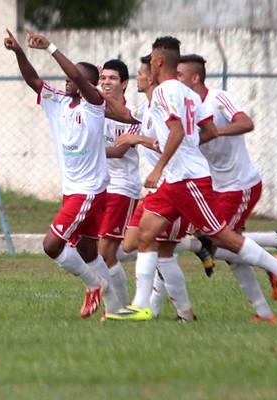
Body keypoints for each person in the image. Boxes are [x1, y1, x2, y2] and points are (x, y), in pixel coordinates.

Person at [107, 36, 277, 321]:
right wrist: (182, 151)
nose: (148, 64)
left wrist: (160, 166)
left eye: (150, 58)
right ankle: (142, 305)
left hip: (187, 179)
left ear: (159, 61)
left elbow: (176, 131)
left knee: (220, 236)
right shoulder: (188, 93)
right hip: (175, 179)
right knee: (146, 235)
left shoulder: (165, 91)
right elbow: (207, 131)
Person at [3, 29, 122, 318]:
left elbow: (80, 78)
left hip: (89, 191)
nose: (67, 79)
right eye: (67, 76)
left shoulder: (94, 105)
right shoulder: (56, 101)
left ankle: (94, 285)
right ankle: (118, 311)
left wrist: (51, 48)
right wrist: (20, 51)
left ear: (89, 85)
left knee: (51, 245)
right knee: (88, 251)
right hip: (75, 190)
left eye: (73, 77)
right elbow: (33, 80)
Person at [176, 53, 277, 322]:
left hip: (239, 185)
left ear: (195, 78)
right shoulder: (185, 106)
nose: (176, 79)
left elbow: (246, 122)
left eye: (180, 75)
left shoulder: (217, 98)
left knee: (214, 242)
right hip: (215, 187)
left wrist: (214, 132)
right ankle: (264, 309)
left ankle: (275, 261)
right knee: (232, 251)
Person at [106, 54, 199, 321]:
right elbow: (121, 113)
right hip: (161, 188)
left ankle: (145, 305)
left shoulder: (162, 102)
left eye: (139, 73)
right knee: (138, 244)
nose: (137, 76)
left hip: (175, 183)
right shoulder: (145, 108)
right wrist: (88, 89)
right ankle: (178, 311)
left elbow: (167, 139)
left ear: (150, 77)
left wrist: (138, 138)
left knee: (217, 239)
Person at [95, 59, 141, 309]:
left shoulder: (132, 113)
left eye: (112, 78)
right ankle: (151, 252)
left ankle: (119, 308)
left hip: (123, 186)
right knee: (100, 251)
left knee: (104, 253)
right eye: (103, 78)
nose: (106, 82)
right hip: (100, 186)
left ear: (124, 83)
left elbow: (120, 151)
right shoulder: (94, 108)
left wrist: (87, 150)